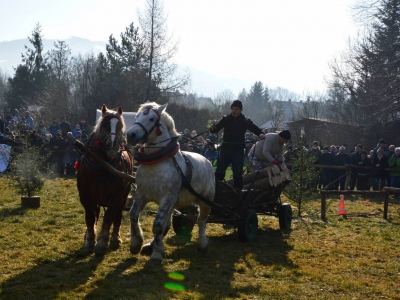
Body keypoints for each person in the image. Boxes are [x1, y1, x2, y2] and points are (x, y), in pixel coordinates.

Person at [209, 100, 265, 189]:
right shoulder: (226, 119)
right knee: (219, 173)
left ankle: (238, 195)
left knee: (238, 175)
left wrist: (261, 133)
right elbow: (216, 128)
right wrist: (212, 129)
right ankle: (216, 192)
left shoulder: (245, 120)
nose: (234, 111)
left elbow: (254, 128)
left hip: (238, 151)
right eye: (232, 109)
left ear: (240, 110)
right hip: (226, 149)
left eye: (236, 109)